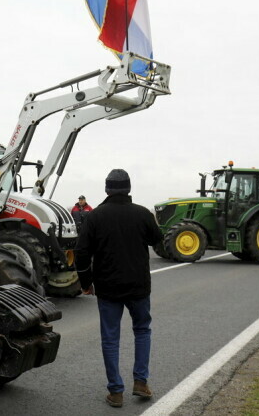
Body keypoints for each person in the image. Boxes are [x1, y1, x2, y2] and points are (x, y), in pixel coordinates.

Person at [75, 169, 163, 408]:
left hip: (107, 286)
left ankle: (116, 392)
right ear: (129, 188)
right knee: (142, 330)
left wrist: (85, 283)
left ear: (107, 189)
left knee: (110, 338)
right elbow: (158, 238)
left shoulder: (95, 217)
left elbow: (82, 252)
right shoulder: (143, 214)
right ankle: (141, 382)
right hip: (138, 286)